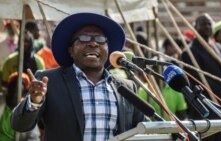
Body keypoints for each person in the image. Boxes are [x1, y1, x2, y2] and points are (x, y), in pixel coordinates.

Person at [11, 12, 146, 141]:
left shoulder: (126, 87)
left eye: (100, 39)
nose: (93, 43)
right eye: (84, 38)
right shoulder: (49, 81)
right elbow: (19, 125)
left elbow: (143, 131)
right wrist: (34, 101)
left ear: (109, 50)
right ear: (70, 50)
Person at [0, 72, 40, 141]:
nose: (15, 91)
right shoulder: (1, 101)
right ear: (8, 88)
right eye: (13, 86)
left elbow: (34, 138)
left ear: (23, 93)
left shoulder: (27, 110)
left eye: (21, 85)